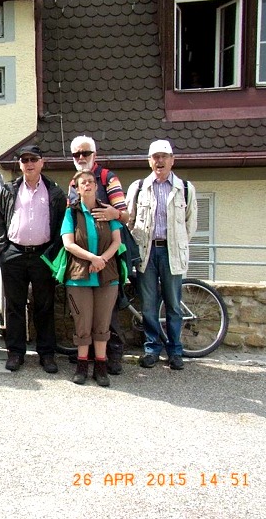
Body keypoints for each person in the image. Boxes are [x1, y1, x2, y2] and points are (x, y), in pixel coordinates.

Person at [0, 145, 66, 373]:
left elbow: (61, 226)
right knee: (14, 306)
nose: (29, 163)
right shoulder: (9, 189)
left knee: (44, 305)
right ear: (20, 164)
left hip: (43, 254)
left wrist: (53, 253)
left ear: (42, 162)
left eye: (33, 159)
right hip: (14, 252)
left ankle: (46, 353)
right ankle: (15, 352)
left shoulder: (54, 191)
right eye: (24, 160)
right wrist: (3, 248)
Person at [127, 139, 197, 371]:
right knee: (148, 304)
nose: (159, 161)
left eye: (164, 156)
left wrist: (177, 245)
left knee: (173, 304)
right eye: (155, 157)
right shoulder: (138, 188)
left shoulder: (185, 188)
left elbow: (190, 225)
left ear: (172, 160)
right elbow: (129, 220)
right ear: (149, 161)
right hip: (147, 252)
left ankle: (175, 351)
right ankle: (152, 349)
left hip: (171, 252)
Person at [67, 135, 130, 374]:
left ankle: (112, 356)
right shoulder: (74, 183)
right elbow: (70, 216)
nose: (81, 158)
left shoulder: (107, 177)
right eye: (77, 154)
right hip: (82, 257)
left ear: (95, 154)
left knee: (108, 311)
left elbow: (125, 216)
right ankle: (88, 356)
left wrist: (114, 214)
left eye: (85, 153)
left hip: (109, 253)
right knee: (85, 314)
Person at [59, 171, 122, 386]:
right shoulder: (71, 212)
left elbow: (116, 242)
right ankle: (82, 365)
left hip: (107, 275)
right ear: (77, 189)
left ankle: (101, 367)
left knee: (103, 323)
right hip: (79, 276)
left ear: (96, 187)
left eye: (90, 182)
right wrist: (92, 258)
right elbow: (68, 243)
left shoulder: (106, 211)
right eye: (82, 183)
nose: (87, 185)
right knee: (82, 323)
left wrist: (102, 260)